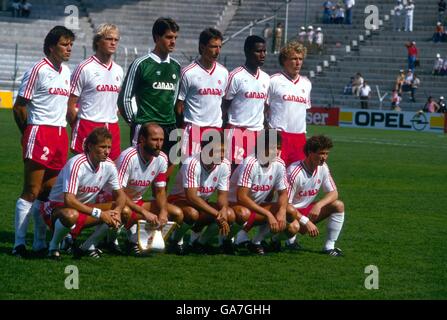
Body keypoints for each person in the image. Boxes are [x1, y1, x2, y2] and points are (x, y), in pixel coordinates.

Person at [12, 26, 75, 258]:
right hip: (40, 132)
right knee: (31, 190)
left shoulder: (67, 72)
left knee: (47, 194)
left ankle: (39, 243)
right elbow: (19, 106)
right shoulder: (37, 70)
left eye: (70, 45)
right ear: (51, 46)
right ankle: (18, 244)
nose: (68, 49)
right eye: (64, 44)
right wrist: (28, 132)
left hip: (59, 134)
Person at [42, 128, 126, 259]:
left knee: (124, 210)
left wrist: (118, 211)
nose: (107, 151)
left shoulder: (109, 165)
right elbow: (68, 200)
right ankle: (53, 246)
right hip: (56, 207)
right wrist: (99, 213)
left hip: (84, 208)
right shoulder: (77, 163)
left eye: (109, 147)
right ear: (90, 146)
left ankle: (88, 245)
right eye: (103, 147)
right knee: (71, 215)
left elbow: (120, 195)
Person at [118, 17, 181, 176]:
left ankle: (159, 200)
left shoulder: (176, 66)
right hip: (146, 127)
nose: (173, 41)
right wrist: (137, 123)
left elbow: (174, 99)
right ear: (156, 38)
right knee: (137, 174)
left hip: (169, 127)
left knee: (165, 173)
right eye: (168, 37)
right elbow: (124, 98)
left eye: (175, 38)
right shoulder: (141, 64)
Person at [113, 123, 183, 255]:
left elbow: (160, 191)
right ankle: (110, 241)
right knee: (126, 211)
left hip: (137, 202)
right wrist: (144, 213)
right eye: (154, 140)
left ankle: (147, 240)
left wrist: (162, 211)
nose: (159, 144)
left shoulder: (162, 158)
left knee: (176, 213)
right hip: (116, 201)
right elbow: (118, 193)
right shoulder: (128, 157)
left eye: (161, 140)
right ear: (142, 139)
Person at [229, 130, 303, 255]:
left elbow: (284, 193)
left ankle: (257, 241)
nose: (277, 151)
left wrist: (281, 211)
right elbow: (241, 197)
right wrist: (268, 215)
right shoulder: (251, 163)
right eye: (273, 148)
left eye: (279, 148)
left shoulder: (279, 163)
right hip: (235, 208)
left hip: (256, 208)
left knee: (289, 211)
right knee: (243, 213)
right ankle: (226, 240)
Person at [168, 131, 235, 254]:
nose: (221, 155)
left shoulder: (225, 164)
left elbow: (222, 196)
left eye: (223, 151)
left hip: (202, 203)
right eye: (216, 151)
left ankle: (199, 243)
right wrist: (217, 214)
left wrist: (223, 210)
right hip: (179, 201)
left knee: (229, 214)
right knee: (192, 213)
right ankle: (175, 240)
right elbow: (191, 197)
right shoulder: (192, 163)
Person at [68, 23, 123, 161]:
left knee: (110, 173)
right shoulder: (84, 68)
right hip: (88, 125)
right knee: (84, 171)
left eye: (116, 40)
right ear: (98, 41)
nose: (113, 43)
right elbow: (70, 104)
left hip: (112, 126)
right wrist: (77, 125)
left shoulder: (119, 70)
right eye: (109, 39)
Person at [287, 135, 345, 256]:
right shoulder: (294, 172)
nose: (324, 157)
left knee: (338, 205)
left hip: (305, 211)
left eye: (326, 153)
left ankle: (329, 247)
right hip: (288, 213)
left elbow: (334, 193)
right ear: (310, 152)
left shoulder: (323, 168)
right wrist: (306, 222)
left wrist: (318, 205)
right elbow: (285, 205)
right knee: (294, 227)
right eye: (321, 153)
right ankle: (281, 241)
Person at [175, 27, 228, 157]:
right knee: (189, 170)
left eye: (219, 47)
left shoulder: (224, 72)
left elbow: (222, 103)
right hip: (193, 129)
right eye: (213, 46)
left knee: (212, 173)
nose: (217, 51)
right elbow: (179, 105)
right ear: (202, 47)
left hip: (215, 130)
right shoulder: (188, 72)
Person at [222, 35, 269, 170]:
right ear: (247, 52)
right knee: (233, 177)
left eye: (264, 51)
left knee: (256, 177)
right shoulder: (235, 76)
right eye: (258, 51)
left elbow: (264, 109)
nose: (263, 54)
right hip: (237, 132)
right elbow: (224, 107)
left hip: (258, 133)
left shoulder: (266, 78)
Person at [267, 41, 312, 166]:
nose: (298, 62)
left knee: (296, 179)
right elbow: (262, 110)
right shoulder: (273, 81)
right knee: (269, 178)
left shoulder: (306, 84)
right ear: (284, 60)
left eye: (300, 59)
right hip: (276, 136)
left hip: (299, 138)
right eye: (294, 59)